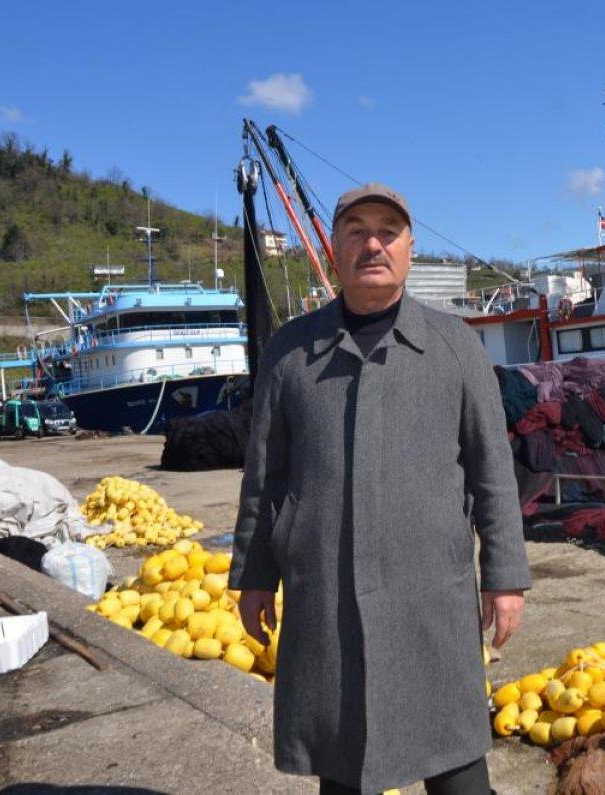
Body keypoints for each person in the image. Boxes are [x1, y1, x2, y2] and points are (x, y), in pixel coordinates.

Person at [230, 183, 531, 794]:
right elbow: (265, 477)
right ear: (332, 247)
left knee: (459, 774)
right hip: (325, 597)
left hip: (432, 598)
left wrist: (504, 576)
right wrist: (254, 574)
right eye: (356, 230)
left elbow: (492, 471)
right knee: (344, 768)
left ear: (409, 249)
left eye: (387, 232)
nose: (373, 243)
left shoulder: (456, 346)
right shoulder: (290, 352)